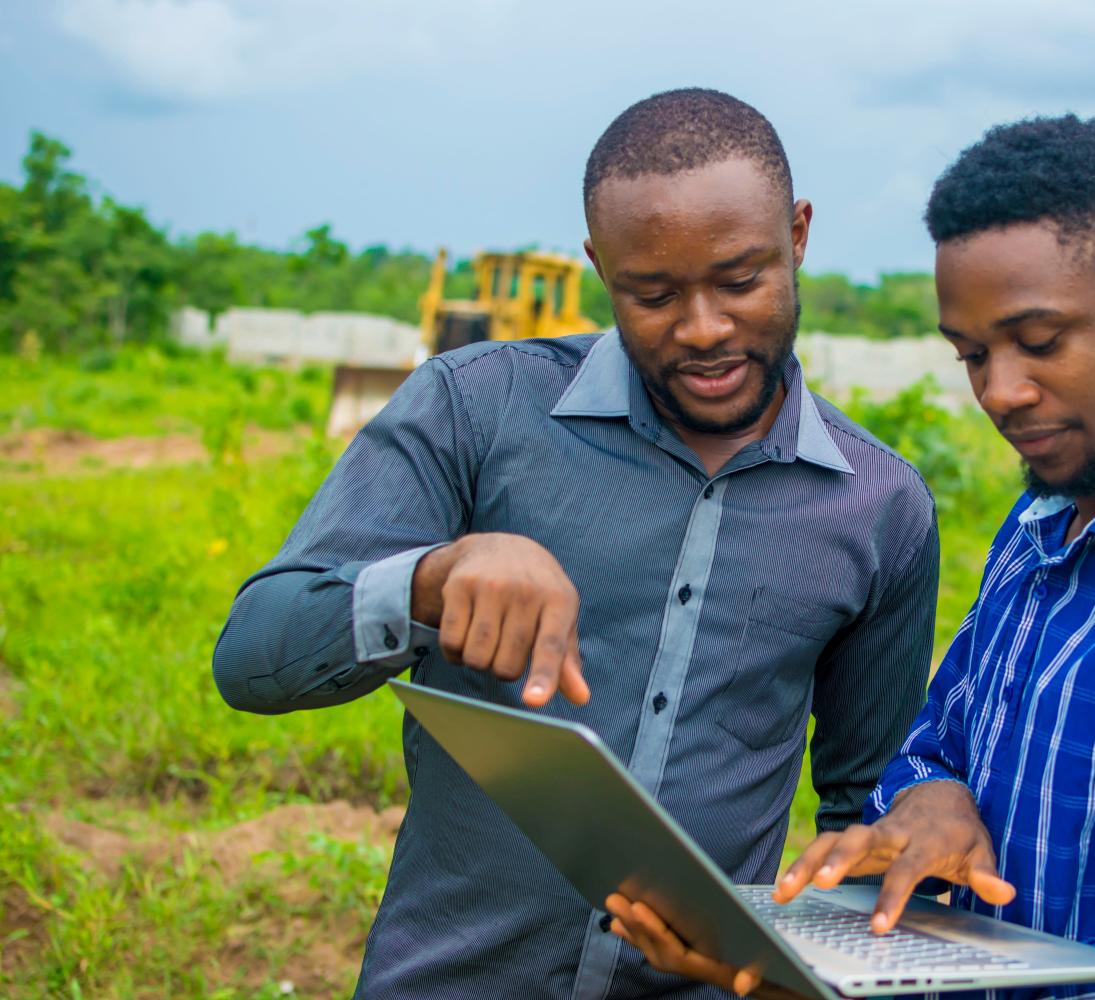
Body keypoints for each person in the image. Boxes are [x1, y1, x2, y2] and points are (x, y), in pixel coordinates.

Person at [608, 115, 1095, 999]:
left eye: (1042, 342)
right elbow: (932, 749)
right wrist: (928, 803)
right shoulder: (1040, 526)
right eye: (972, 355)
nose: (1001, 392)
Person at [212, 88, 940, 999]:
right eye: (653, 293)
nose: (704, 327)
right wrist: (432, 580)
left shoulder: (882, 507)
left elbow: (864, 804)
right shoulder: (471, 409)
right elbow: (251, 658)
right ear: (600, 265)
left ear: (797, 236)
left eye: (741, 279)